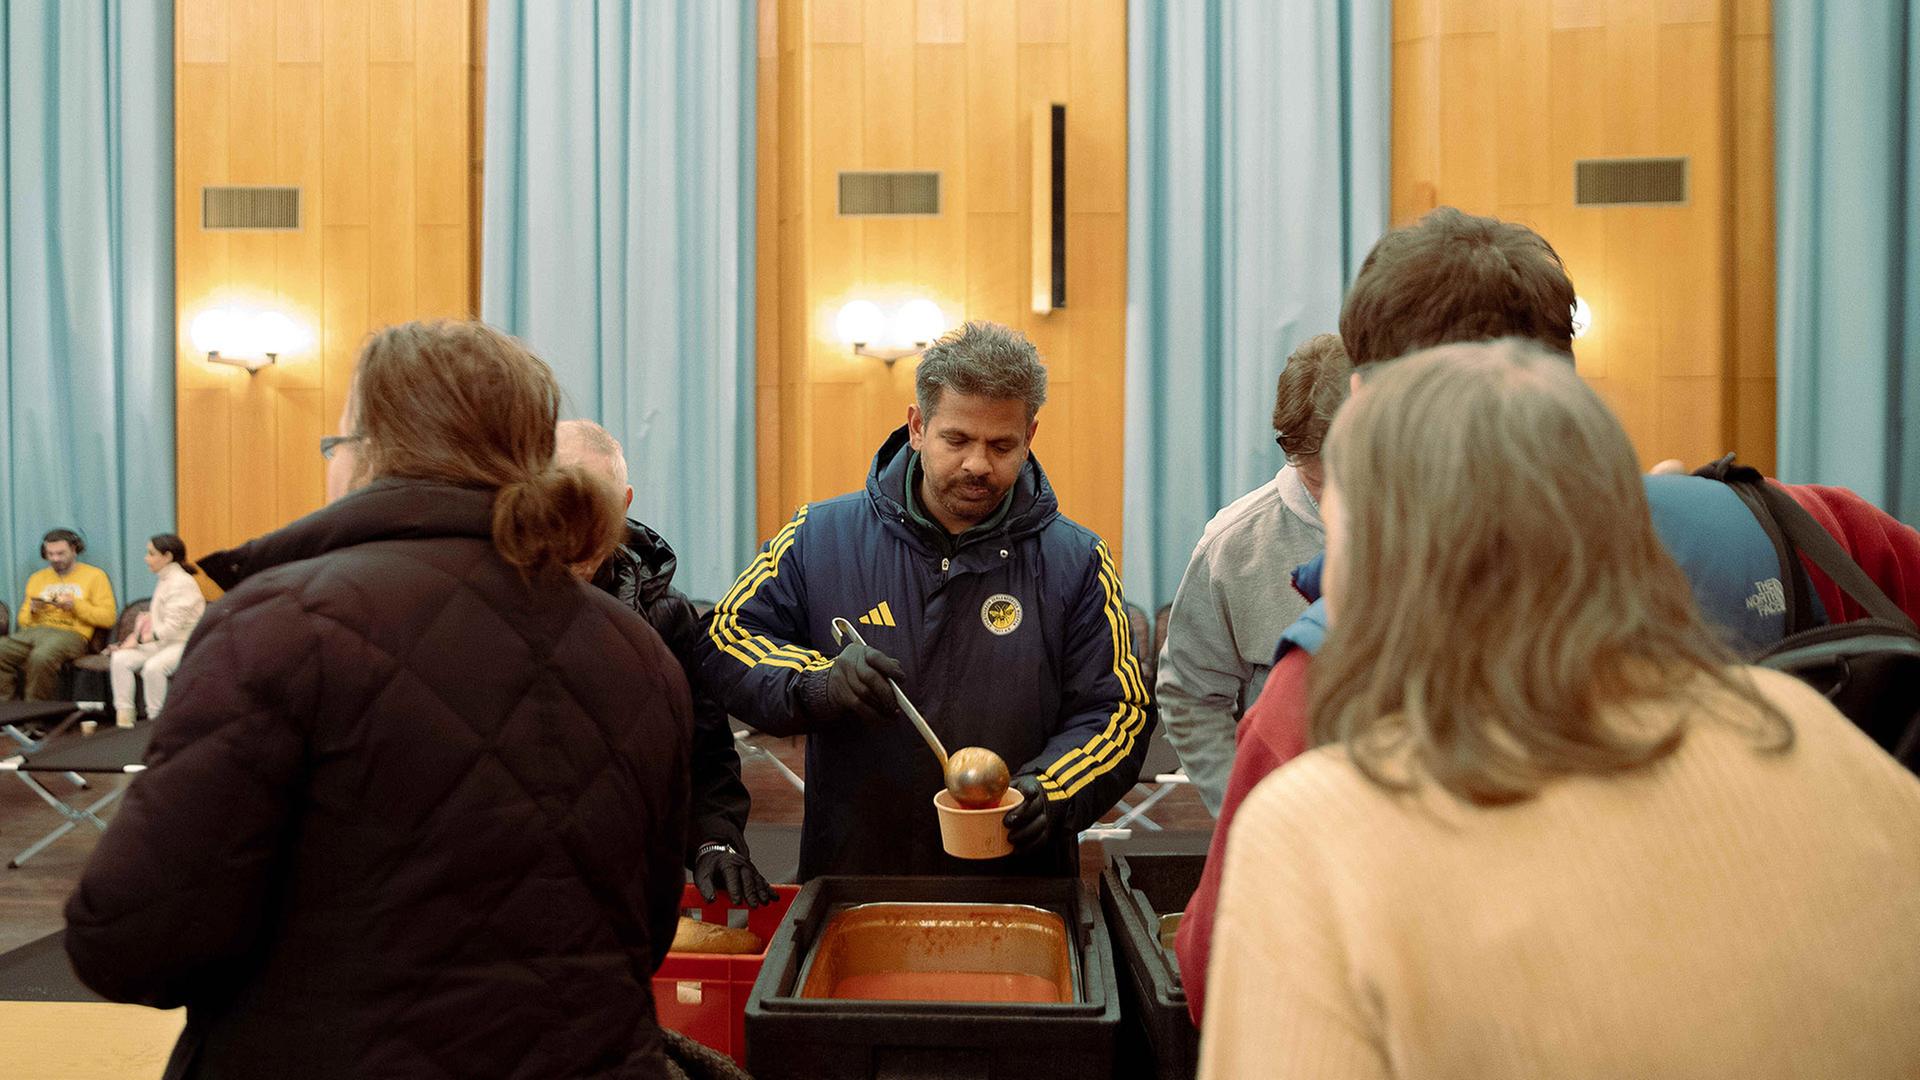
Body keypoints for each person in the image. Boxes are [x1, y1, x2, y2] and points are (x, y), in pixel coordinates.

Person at [1177, 207, 1920, 1021]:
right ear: (1566, 374)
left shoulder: (1337, 667)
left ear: (1361, 405)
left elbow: (1225, 972)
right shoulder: (1806, 527)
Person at [65, 320, 693, 1079]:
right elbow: (645, 928)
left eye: (337, 445)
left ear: (371, 453)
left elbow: (130, 940)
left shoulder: (275, 626)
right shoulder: (638, 653)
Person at [694, 320, 1153, 879]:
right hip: (854, 876)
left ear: (1030, 435)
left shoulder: (1078, 561)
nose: (978, 464)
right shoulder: (819, 535)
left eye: (1001, 444)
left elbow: (1119, 712)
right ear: (917, 426)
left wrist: (1051, 789)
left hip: (1021, 885)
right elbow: (726, 639)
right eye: (956, 439)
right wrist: (817, 680)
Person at [556, 418, 776, 908]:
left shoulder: (669, 615)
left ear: (626, 504)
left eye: (597, 509)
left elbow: (705, 755)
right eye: (562, 505)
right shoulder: (484, 608)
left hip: (633, 888)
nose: (577, 531)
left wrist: (713, 840)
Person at [1158, 333, 1349, 813]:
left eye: (1349, 480)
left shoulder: (1438, 525)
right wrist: (1241, 810)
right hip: (1287, 825)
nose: (1335, 504)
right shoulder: (1233, 543)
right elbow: (1190, 696)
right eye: (1316, 482)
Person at [0, 528, 117, 701]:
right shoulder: (37, 578)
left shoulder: (95, 576)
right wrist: (33, 610)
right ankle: (6, 712)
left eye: (61, 553)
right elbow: (23, 621)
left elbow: (108, 618)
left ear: (75, 550)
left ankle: (34, 718)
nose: (55, 559)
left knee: (41, 657)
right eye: (50, 554)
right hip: (35, 631)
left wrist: (75, 605)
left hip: (73, 634)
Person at [105, 534, 207, 728]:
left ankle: (156, 723)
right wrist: (136, 633)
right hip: (163, 644)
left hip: (184, 644)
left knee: (153, 668)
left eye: (151, 554)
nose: (146, 558)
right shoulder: (165, 578)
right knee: (121, 659)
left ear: (167, 556)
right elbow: (162, 618)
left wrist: (141, 640)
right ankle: (125, 719)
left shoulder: (181, 582)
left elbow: (172, 627)